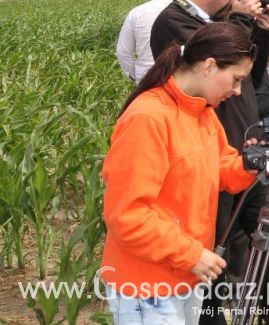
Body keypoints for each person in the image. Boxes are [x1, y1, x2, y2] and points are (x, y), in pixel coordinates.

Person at [149, 0, 269, 325]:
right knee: (215, 237)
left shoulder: (215, 20)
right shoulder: (173, 21)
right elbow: (210, 59)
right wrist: (239, 19)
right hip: (205, 151)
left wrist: (262, 33)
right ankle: (211, 314)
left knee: (265, 228)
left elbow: (250, 74)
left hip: (239, 147)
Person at [101, 22, 258, 324]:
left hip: (186, 274)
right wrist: (192, 254)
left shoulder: (202, 112)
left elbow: (220, 169)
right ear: (209, 66)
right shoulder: (148, 118)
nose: (237, 91)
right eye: (236, 79)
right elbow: (128, 215)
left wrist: (249, 163)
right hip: (147, 285)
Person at [115, 0, 181, 83]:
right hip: (180, 80)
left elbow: (123, 52)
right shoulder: (189, 9)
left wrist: (136, 77)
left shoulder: (136, 13)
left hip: (147, 79)